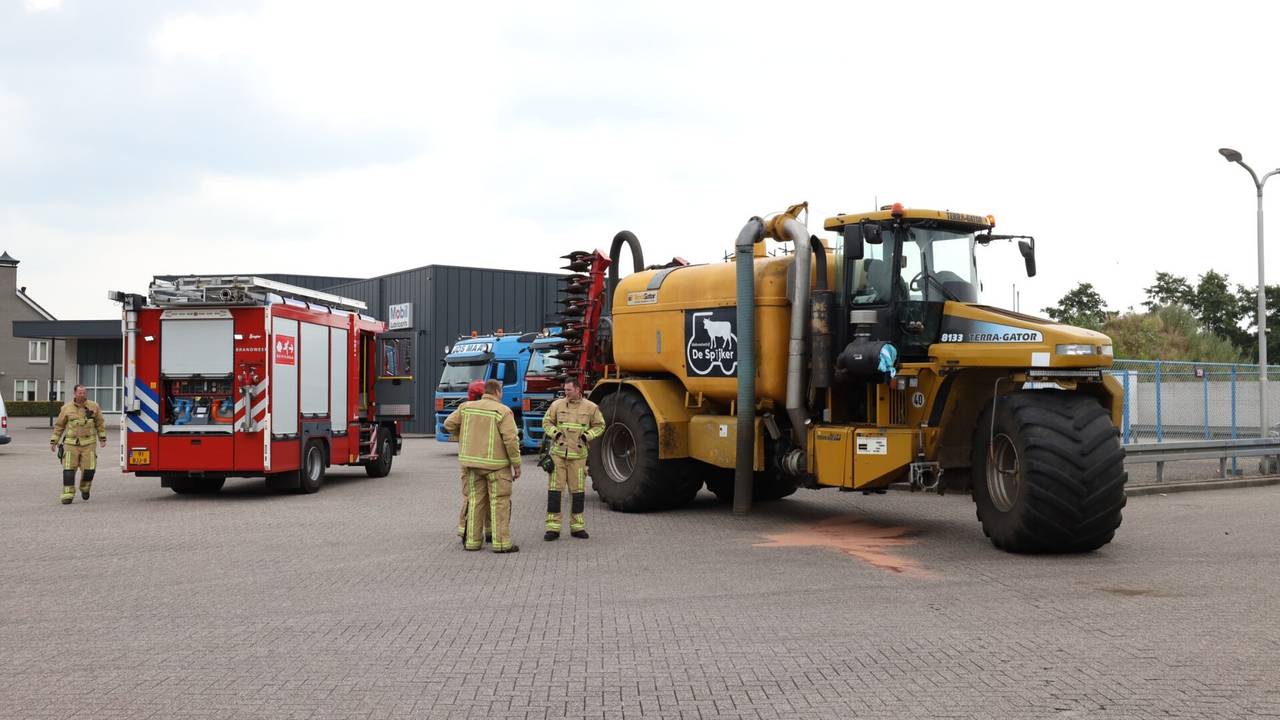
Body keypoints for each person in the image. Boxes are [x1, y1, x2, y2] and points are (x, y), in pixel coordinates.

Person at [443, 379, 522, 553]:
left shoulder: (466, 407)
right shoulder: (503, 411)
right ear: (498, 392)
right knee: (499, 503)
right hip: (497, 467)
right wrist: (516, 464)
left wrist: (463, 436)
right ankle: (501, 544)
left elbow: (448, 424)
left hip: (470, 465)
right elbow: (511, 440)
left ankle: (472, 542)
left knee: (475, 502)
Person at [542, 377, 604, 541]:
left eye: (569, 390)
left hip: (578, 457)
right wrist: (555, 433)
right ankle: (552, 528)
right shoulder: (557, 405)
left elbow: (600, 426)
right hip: (558, 456)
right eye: (565, 390)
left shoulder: (591, 408)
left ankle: (577, 527)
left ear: (578, 389)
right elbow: (546, 422)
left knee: (577, 493)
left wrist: (587, 436)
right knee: (555, 491)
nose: (566, 393)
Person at [50, 384, 107, 505]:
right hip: (71, 444)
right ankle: (68, 495)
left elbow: (100, 423)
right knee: (69, 469)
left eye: (84, 393)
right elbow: (59, 426)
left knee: (90, 469)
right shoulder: (66, 408)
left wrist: (102, 438)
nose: (82, 395)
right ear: (75, 393)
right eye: (80, 393)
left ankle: (85, 488)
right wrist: (54, 441)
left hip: (89, 443)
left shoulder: (93, 406)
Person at [455, 379, 490, 543]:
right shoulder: (493, 409)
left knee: (471, 498)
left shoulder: (465, 408)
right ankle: (490, 532)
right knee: (491, 499)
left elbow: (448, 424)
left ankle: (465, 531)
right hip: (488, 461)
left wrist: (460, 434)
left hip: (467, 461)